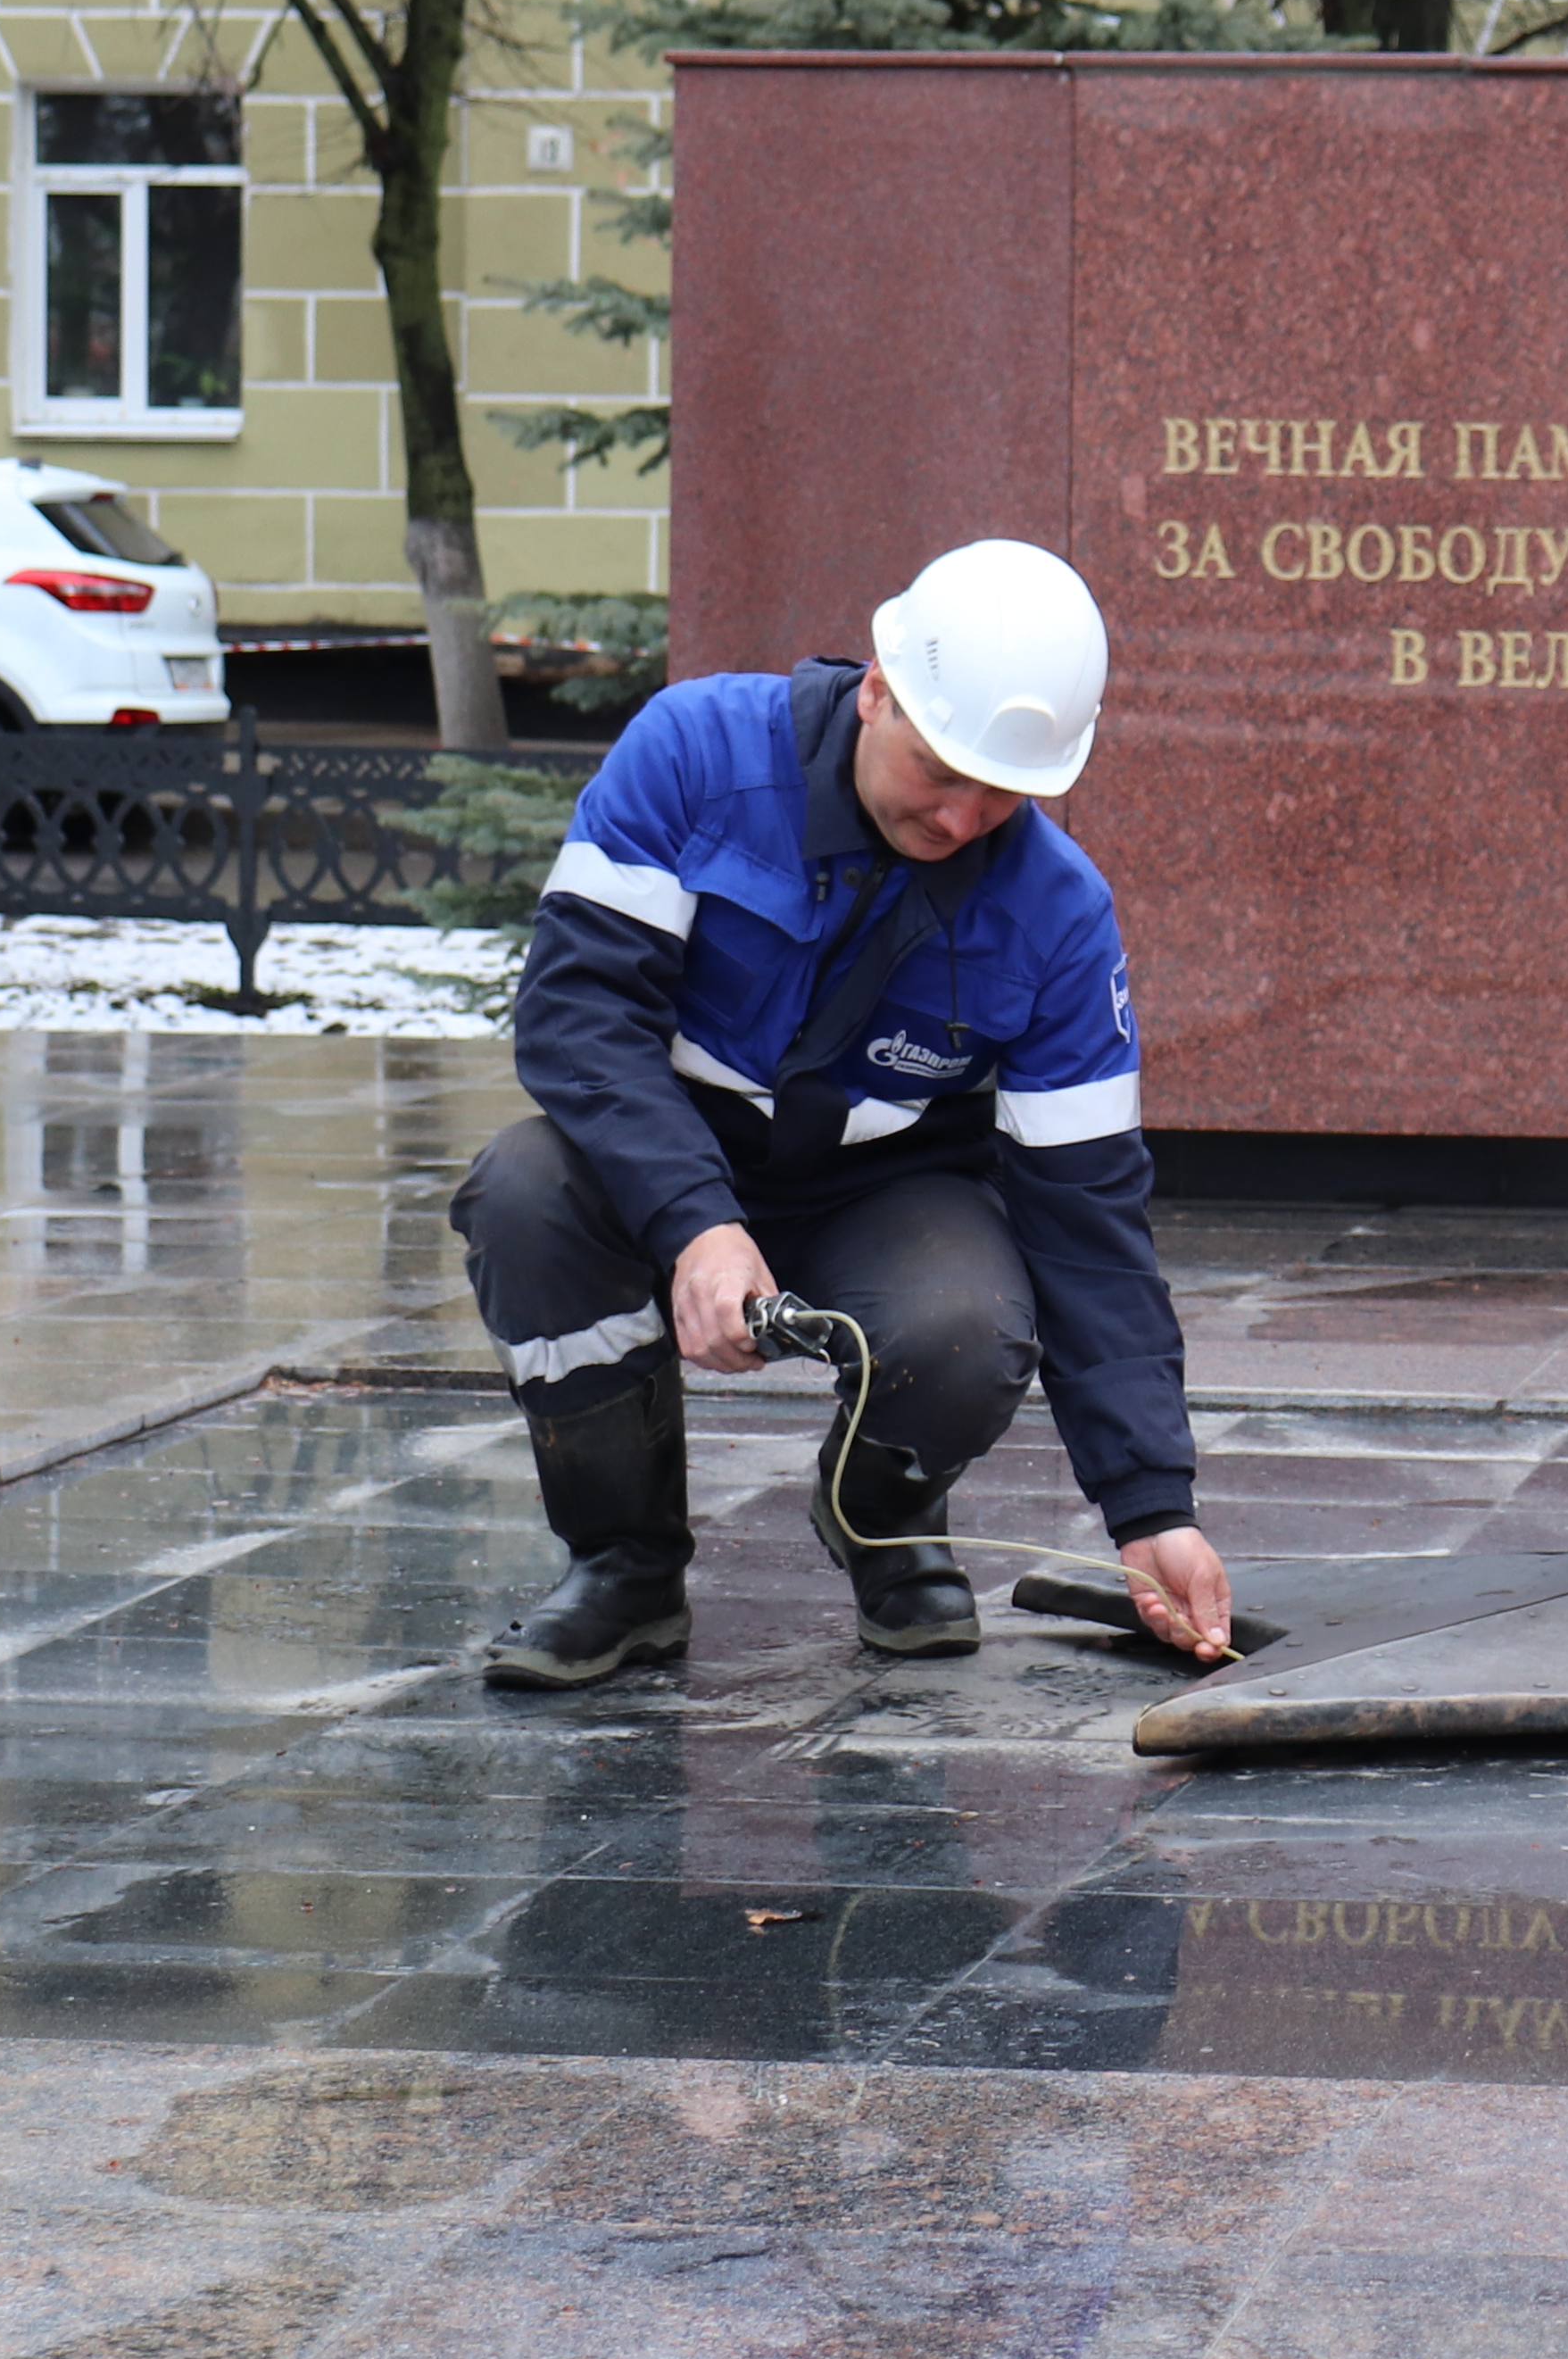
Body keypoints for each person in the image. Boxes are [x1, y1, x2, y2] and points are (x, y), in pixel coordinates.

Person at [449, 536, 1232, 1689]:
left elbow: (1090, 1222)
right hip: (658, 1150)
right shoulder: (694, 754)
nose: (964, 818)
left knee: (968, 1320)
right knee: (522, 1196)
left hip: (883, 1191)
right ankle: (625, 1567)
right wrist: (694, 1224)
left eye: (1003, 791)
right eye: (939, 768)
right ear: (877, 690)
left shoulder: (1058, 917)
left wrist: (1150, 1505)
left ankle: (883, 1520)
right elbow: (579, 1020)